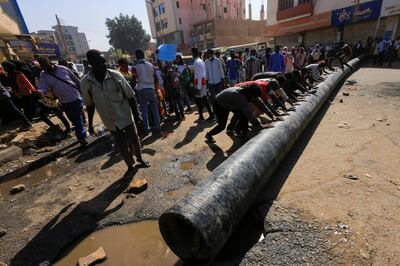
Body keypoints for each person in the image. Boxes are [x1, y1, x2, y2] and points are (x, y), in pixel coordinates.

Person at [81, 49, 150, 169]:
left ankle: (139, 158)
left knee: (134, 140)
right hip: (110, 121)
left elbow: (130, 96)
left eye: (104, 61)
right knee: (121, 144)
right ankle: (130, 165)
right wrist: (90, 124)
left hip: (126, 116)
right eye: (99, 62)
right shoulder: (86, 82)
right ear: (91, 63)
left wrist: (137, 116)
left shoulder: (116, 75)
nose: (104, 65)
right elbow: (89, 105)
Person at [37, 57, 88, 146]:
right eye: (41, 64)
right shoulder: (43, 75)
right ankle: (81, 130)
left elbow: (76, 80)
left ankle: (81, 138)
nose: (43, 66)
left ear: (49, 61)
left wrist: (83, 91)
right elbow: (42, 87)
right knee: (72, 119)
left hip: (75, 97)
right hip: (63, 101)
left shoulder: (62, 69)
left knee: (77, 118)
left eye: (44, 63)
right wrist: (42, 92)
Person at [205, 84, 274, 143]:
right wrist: (259, 125)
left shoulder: (248, 92)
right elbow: (248, 113)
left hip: (231, 103)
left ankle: (241, 133)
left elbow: (259, 101)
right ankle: (209, 135)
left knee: (243, 115)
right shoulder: (240, 96)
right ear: (251, 94)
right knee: (221, 126)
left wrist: (269, 113)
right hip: (220, 104)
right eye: (254, 97)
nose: (255, 98)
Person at [131, 49, 161, 135]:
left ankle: (147, 129)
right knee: (155, 109)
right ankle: (158, 126)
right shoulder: (151, 65)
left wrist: (131, 88)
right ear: (143, 55)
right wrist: (156, 89)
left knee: (144, 110)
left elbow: (133, 80)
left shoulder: (135, 67)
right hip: (151, 89)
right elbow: (156, 79)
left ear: (136, 57)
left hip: (141, 90)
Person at [192, 47, 214, 122]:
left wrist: (197, 87)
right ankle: (211, 115)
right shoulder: (201, 61)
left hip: (200, 84)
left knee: (199, 101)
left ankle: (202, 117)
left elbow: (198, 76)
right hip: (203, 83)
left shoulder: (196, 62)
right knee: (205, 100)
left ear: (193, 54)